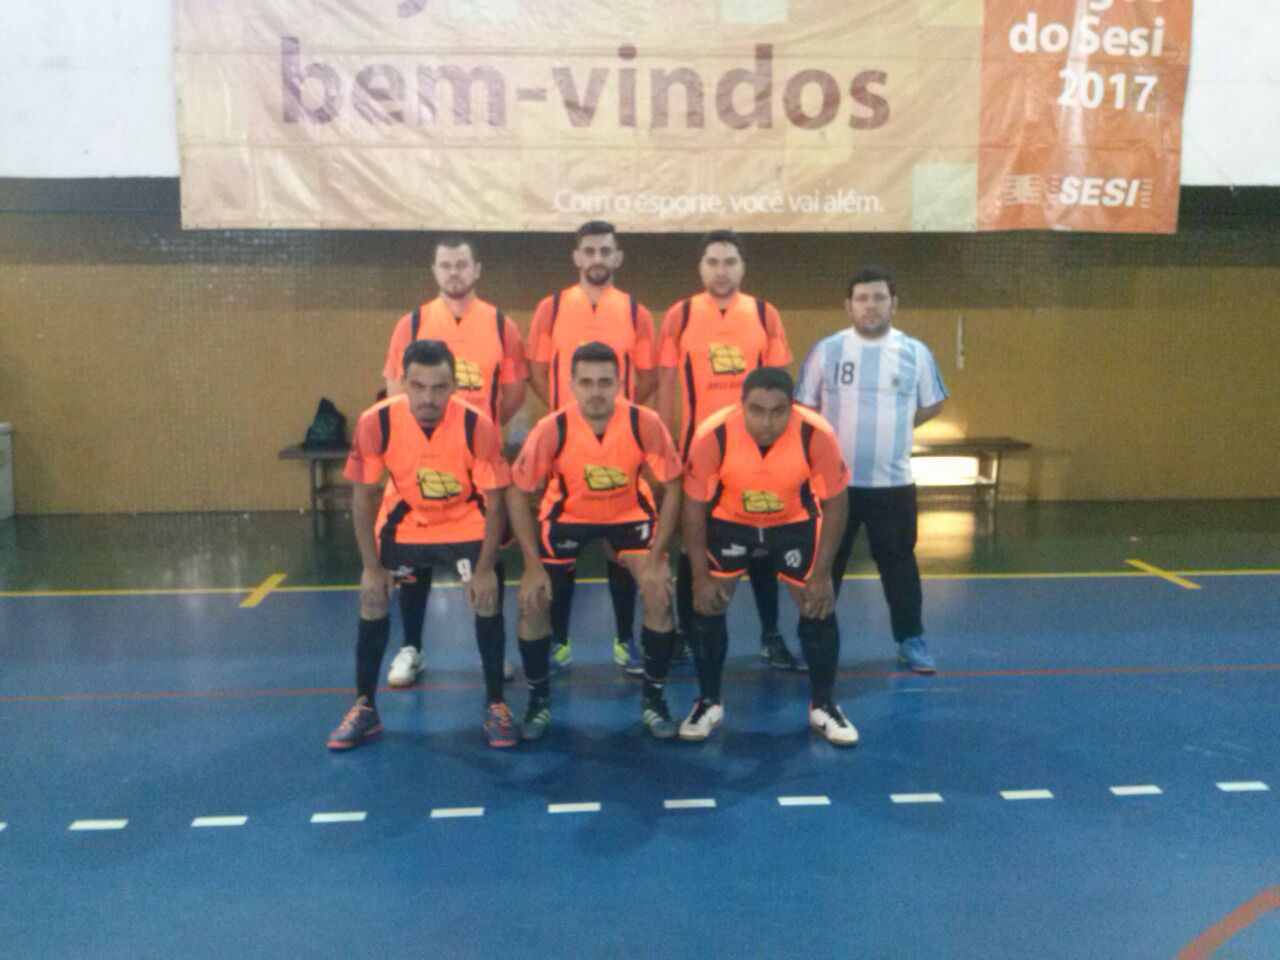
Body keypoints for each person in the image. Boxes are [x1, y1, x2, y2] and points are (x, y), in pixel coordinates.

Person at [327, 339, 517, 751]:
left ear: (454, 387)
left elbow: (496, 499)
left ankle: (496, 704)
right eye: (418, 386)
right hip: (407, 520)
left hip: (464, 519)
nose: (428, 398)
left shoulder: (476, 424)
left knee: (488, 597)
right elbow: (362, 496)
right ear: (403, 384)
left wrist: (485, 569)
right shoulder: (377, 422)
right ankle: (364, 707)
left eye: (439, 387)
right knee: (373, 597)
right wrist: (370, 567)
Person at [507, 342, 684, 740]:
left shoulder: (643, 422)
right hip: (567, 517)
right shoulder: (552, 428)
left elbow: (674, 485)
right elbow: (517, 492)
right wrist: (531, 566)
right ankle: (538, 699)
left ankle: (654, 699)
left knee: (658, 592)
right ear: (571, 385)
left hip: (628, 515)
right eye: (586, 383)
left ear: (620, 384)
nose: (596, 392)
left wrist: (657, 556)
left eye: (605, 382)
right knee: (533, 600)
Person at [680, 367, 857, 745]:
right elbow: (693, 506)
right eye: (757, 410)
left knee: (818, 606)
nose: (766, 422)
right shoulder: (713, 434)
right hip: (730, 521)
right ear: (741, 405)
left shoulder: (817, 434)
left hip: (793, 521)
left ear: (792, 408)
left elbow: (837, 503)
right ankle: (708, 702)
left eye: (778, 411)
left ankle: (824, 706)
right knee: (708, 605)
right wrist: (699, 575)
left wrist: (822, 573)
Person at [380, 236, 527, 688]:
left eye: (462, 264)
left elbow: (514, 392)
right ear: (434, 270)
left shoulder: (501, 324)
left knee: (487, 552)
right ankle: (412, 647)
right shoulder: (412, 323)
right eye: (446, 265)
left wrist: (484, 432)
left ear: (476, 269)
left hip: (478, 460)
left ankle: (491, 650)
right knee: (415, 554)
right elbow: (395, 391)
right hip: (422, 456)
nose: (454, 273)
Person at [794, 266, 948, 674]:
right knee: (825, 565)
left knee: (899, 564)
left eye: (879, 297)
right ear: (848, 306)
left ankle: (910, 639)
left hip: (892, 484)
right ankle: (812, 638)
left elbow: (932, 403)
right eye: (862, 298)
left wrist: (896, 427)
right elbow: (803, 407)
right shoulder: (826, 351)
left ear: (894, 305)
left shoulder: (915, 352)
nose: (871, 305)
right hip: (833, 487)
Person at [656, 230, 798, 670]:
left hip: (752, 454)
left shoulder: (764, 314)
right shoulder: (680, 315)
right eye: (713, 262)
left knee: (762, 544)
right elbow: (665, 386)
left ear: (742, 267)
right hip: (697, 454)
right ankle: (685, 633)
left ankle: (770, 635)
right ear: (701, 267)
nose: (721, 270)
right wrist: (665, 447)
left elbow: (779, 387)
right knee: (691, 544)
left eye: (730, 261)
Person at [526, 221, 658, 676]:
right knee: (560, 553)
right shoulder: (551, 308)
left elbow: (649, 375)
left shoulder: (637, 311)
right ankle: (559, 642)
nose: (597, 258)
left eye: (605, 251)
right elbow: (537, 370)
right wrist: (567, 417)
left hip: (620, 445)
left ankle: (624, 640)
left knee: (620, 545)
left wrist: (618, 417)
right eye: (589, 250)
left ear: (617, 257)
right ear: (576, 256)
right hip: (568, 447)